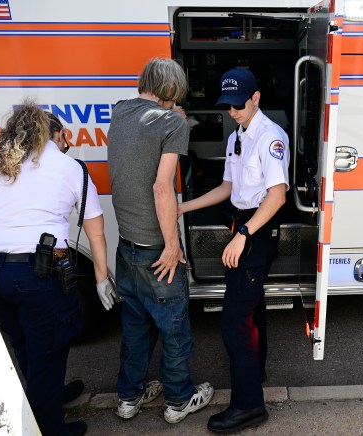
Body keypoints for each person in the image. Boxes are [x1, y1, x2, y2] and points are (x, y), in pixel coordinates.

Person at [0, 101, 115, 436]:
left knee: (21, 340)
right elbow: (95, 230)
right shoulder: (69, 167)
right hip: (38, 271)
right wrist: (102, 277)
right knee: (48, 348)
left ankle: (46, 397)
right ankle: (49, 428)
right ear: (55, 134)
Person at [177, 67, 290, 433]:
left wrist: (243, 233)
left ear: (256, 97)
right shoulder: (237, 136)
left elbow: (277, 196)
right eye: (226, 106)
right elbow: (228, 187)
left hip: (256, 230)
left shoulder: (271, 137)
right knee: (252, 310)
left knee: (234, 322)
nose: (232, 112)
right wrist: (182, 208)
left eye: (238, 105)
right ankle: (253, 373)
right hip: (244, 227)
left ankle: (248, 406)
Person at [107, 57, 213, 423]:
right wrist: (172, 245)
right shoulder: (171, 123)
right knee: (174, 331)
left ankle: (128, 397)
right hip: (156, 250)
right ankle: (178, 401)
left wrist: (171, 115)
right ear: (172, 91)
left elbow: (144, 125)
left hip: (126, 247)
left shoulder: (120, 112)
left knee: (135, 330)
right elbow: (161, 185)